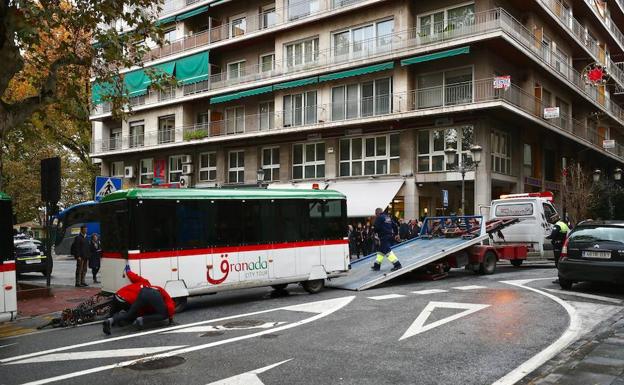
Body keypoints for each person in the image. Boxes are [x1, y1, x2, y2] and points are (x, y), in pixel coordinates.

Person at [102, 266, 175, 335]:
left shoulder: (146, 283)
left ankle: (110, 320)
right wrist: (171, 318)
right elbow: (170, 306)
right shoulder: (162, 293)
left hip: (135, 293)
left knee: (129, 313)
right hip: (149, 295)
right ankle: (141, 320)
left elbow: (135, 277)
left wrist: (128, 271)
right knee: (164, 314)